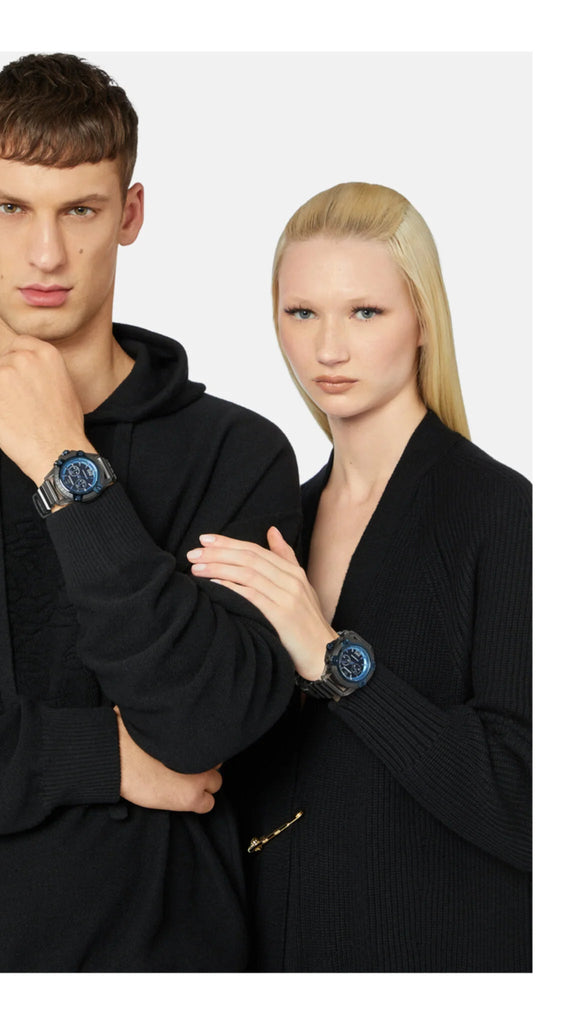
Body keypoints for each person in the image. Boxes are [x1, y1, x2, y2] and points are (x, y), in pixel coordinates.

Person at [0, 52, 301, 972]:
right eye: (11, 208)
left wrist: (63, 465)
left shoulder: (234, 454)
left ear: (130, 214)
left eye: (80, 210)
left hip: (152, 966)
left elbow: (205, 722)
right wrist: (98, 758)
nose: (45, 254)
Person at [188, 182, 531, 971]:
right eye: (301, 312)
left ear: (422, 321)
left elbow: (530, 802)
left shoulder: (500, 513)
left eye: (364, 312)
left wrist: (334, 660)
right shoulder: (276, 522)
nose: (328, 349)